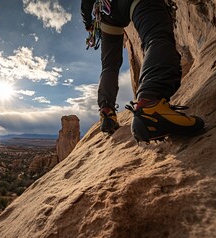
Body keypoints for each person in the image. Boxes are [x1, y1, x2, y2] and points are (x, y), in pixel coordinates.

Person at [81, 0, 204, 142]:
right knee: (156, 37)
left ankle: (107, 112)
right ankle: (150, 104)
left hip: (107, 13)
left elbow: (86, 2)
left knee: (109, 66)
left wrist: (88, 23)